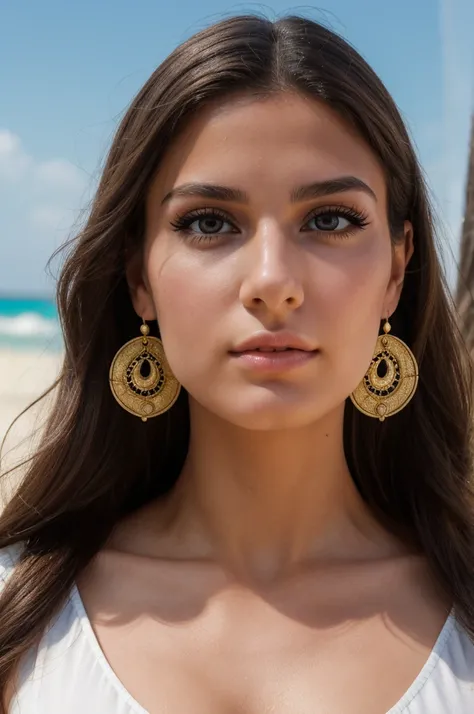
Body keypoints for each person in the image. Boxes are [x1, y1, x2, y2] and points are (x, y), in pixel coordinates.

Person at [0, 12, 473, 714]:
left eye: (330, 220)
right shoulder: (18, 612)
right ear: (138, 276)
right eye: (209, 223)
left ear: (398, 270)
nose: (272, 280)